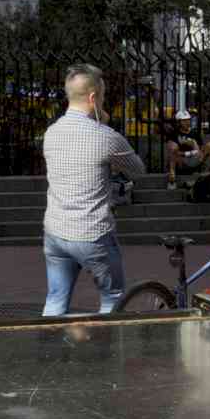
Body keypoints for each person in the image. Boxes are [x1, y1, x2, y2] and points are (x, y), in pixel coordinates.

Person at [42, 65, 146, 315]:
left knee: (56, 298)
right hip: (92, 232)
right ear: (92, 98)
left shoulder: (51, 133)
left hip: (55, 231)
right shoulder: (106, 136)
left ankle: (46, 349)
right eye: (102, 97)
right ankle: (105, 351)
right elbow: (138, 170)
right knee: (113, 296)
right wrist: (105, 125)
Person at [165, 109, 210, 187]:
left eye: (188, 120)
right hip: (182, 162)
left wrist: (193, 144)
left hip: (195, 159)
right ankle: (172, 176)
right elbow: (172, 152)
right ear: (179, 122)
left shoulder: (194, 133)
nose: (187, 122)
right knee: (173, 147)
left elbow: (199, 151)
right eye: (184, 121)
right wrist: (188, 153)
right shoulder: (174, 134)